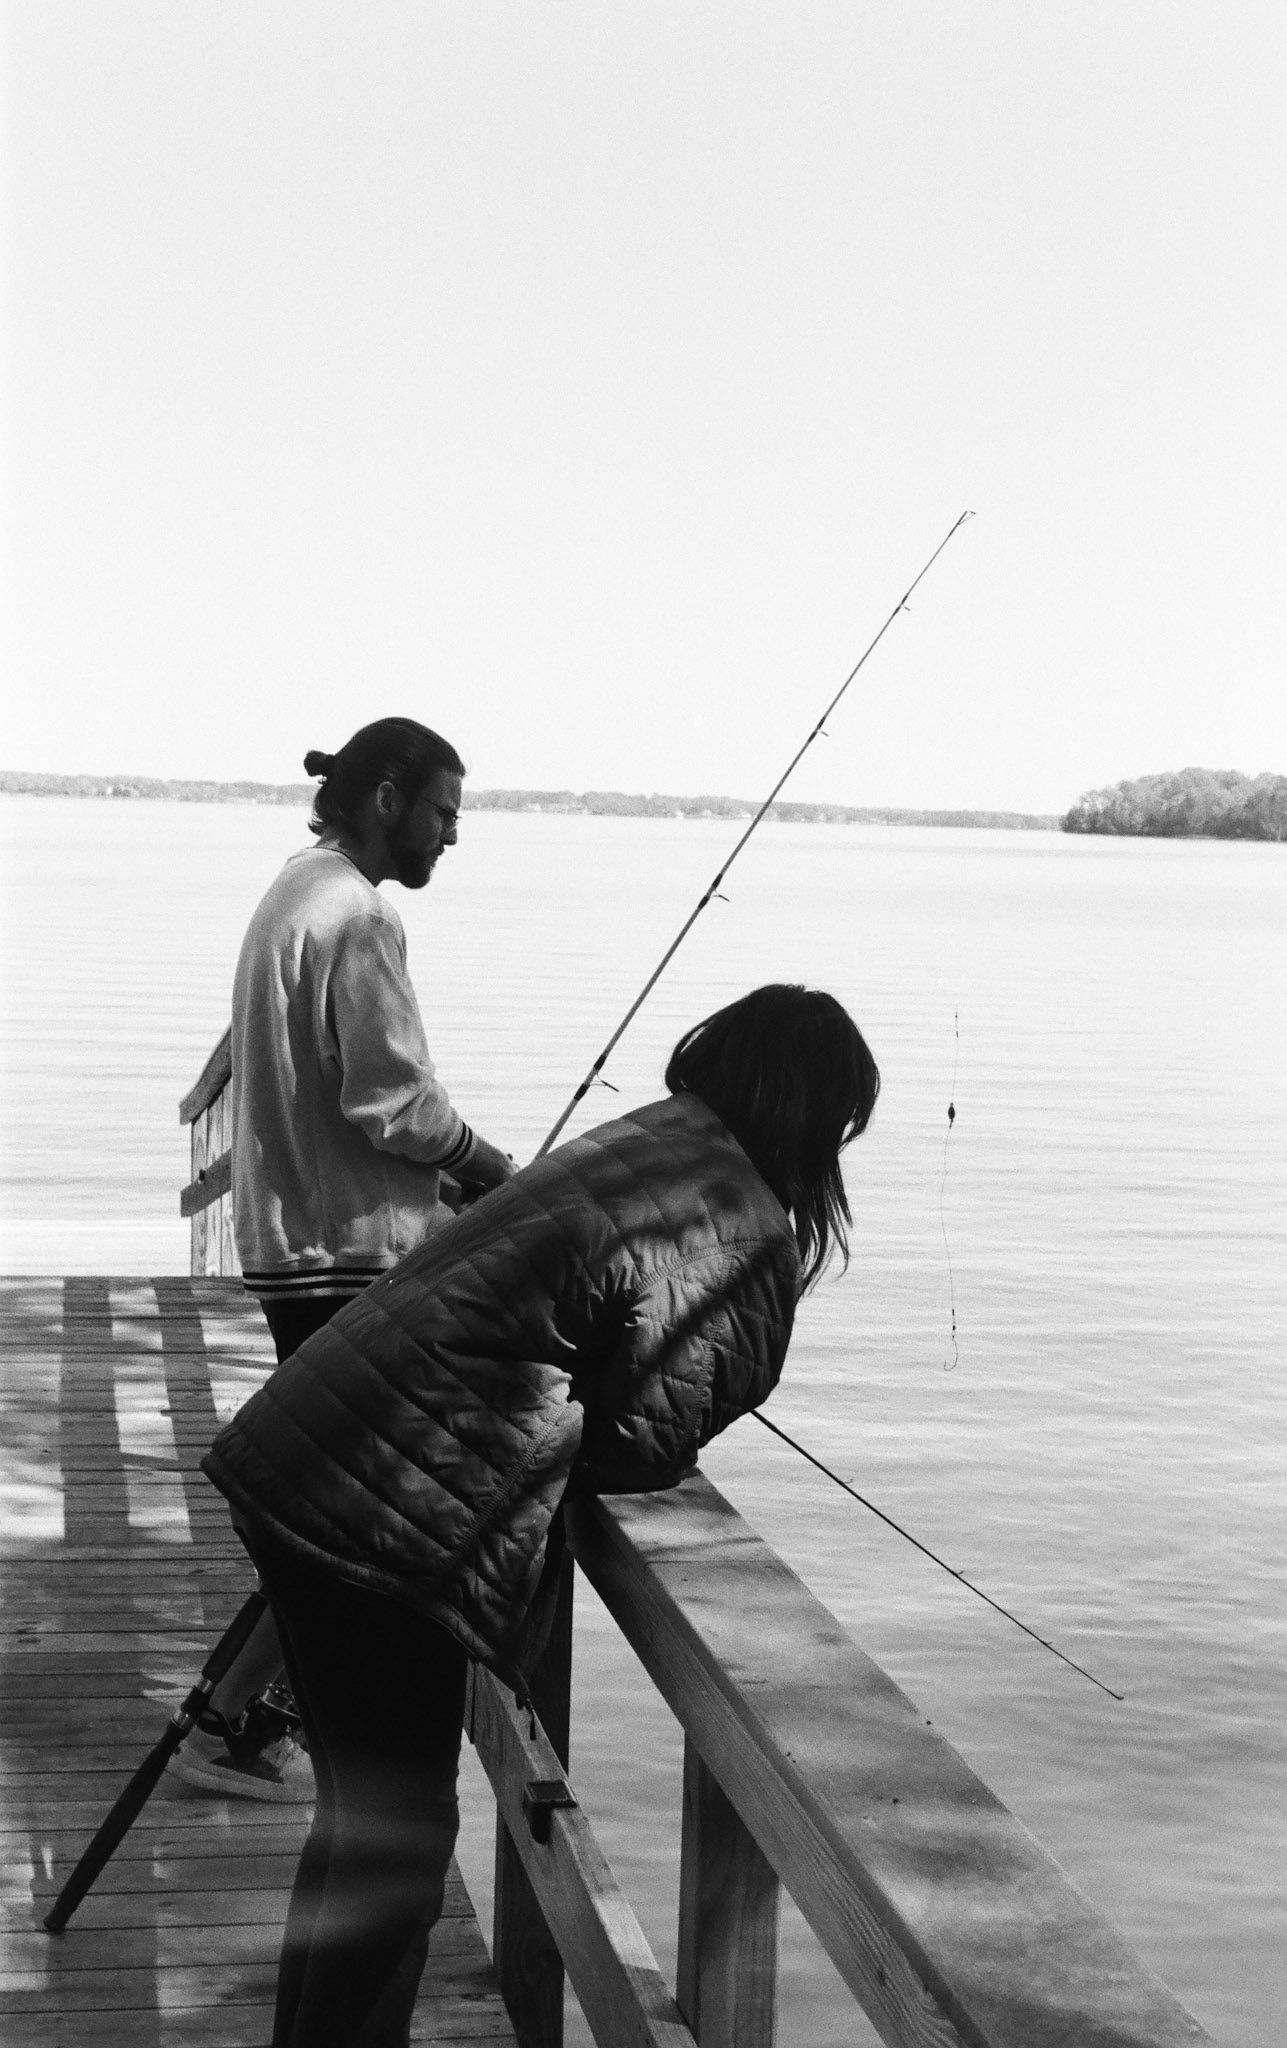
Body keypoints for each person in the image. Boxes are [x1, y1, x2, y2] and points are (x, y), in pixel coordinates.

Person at [202, 983, 880, 2048]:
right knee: (398, 1852)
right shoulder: (742, 1227)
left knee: (365, 1830)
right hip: (383, 1519)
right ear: (821, 1119)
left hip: (302, 1453)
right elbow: (644, 1438)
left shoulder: (645, 1137)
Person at [172, 717, 517, 1802]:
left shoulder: (292, 892)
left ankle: (242, 1714)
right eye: (443, 812)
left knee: (334, 1508)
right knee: (355, 1518)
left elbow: (324, 1091)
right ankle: (231, 1722)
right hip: (347, 1261)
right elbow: (392, 1100)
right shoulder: (358, 915)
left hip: (297, 1244)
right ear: (387, 798)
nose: (451, 834)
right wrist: (493, 1169)